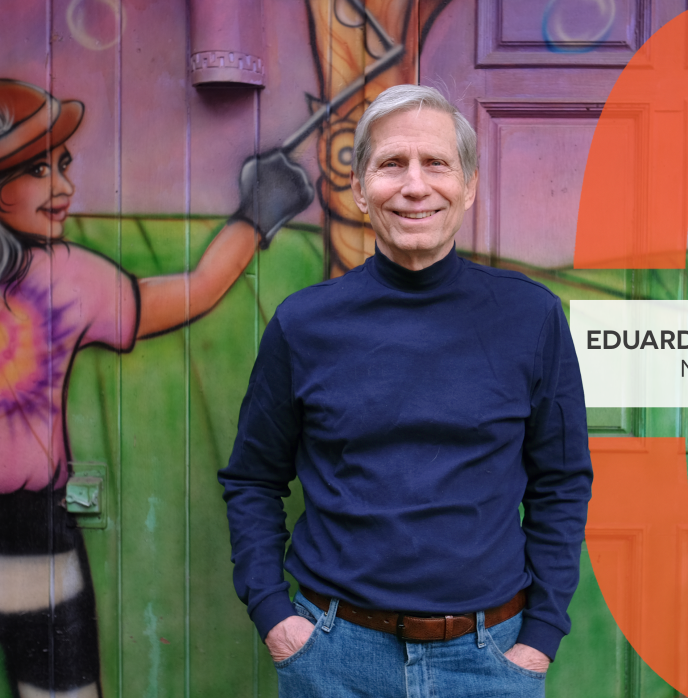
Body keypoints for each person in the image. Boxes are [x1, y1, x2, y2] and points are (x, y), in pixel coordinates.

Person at [219, 84, 593, 697]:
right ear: (360, 189)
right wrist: (275, 618)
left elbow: (561, 482)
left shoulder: (530, 318)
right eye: (392, 164)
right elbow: (254, 479)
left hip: (491, 659)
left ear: (468, 186)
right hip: (334, 658)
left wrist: (540, 637)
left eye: (436, 164)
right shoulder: (304, 324)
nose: (415, 186)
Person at [0, 78, 312, 697]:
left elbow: (188, 291)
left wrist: (252, 218)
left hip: (31, 527)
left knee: (58, 688)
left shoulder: (67, 276)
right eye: (37, 168)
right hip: (32, 527)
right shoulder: (61, 274)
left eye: (62, 162)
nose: (62, 185)